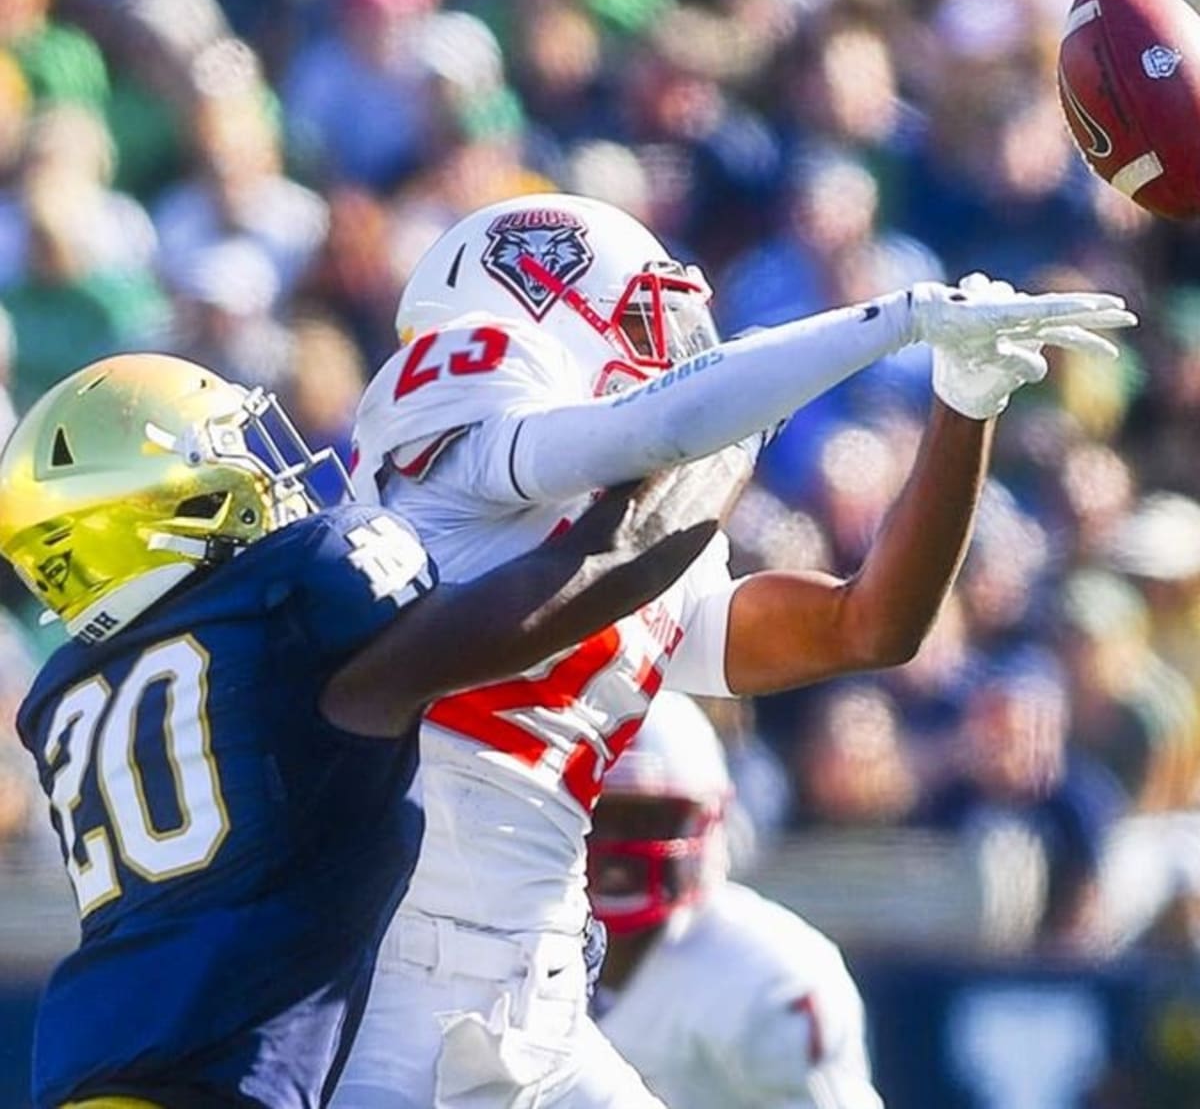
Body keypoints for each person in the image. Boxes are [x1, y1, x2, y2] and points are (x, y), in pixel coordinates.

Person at [338, 192, 1133, 1107]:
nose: (673, 343)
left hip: (543, 991)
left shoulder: (633, 541)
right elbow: (659, 427)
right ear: (536, 292)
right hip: (391, 984)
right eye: (643, 315)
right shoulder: (461, 384)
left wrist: (964, 404)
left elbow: (867, 626)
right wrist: (899, 319)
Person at [0, 351, 734, 1109]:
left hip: (91, 1078)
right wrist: (725, 433)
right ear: (148, 516)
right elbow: (570, 589)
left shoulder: (70, 688)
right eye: (224, 461)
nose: (266, 476)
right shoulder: (285, 617)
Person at [589, 691, 882, 1109]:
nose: (617, 851)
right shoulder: (514, 947)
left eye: (647, 819)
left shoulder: (772, 975)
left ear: (712, 820)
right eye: (600, 818)